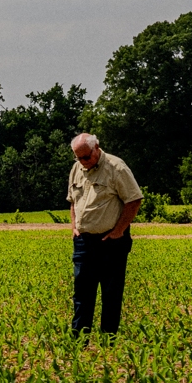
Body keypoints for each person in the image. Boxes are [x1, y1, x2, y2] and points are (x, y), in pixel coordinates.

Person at [65, 132, 142, 336]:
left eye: (86, 157)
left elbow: (133, 200)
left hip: (111, 242)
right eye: (78, 157)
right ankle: (79, 341)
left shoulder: (116, 167)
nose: (83, 162)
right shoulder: (77, 169)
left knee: (111, 294)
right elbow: (73, 201)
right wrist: (75, 227)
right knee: (82, 294)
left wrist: (119, 231)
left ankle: (109, 340)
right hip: (83, 241)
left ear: (96, 147)